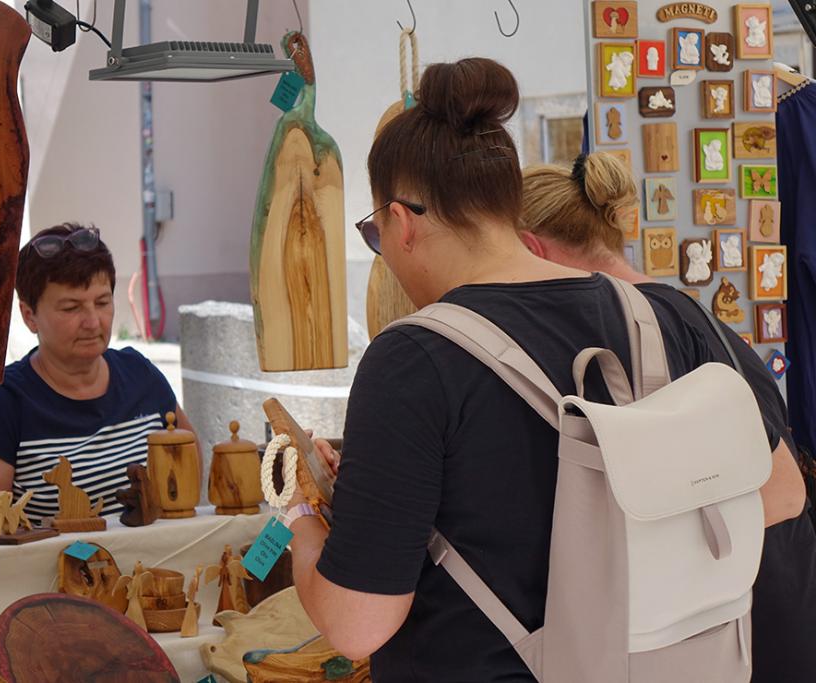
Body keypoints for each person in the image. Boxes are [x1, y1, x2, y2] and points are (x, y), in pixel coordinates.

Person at [283, 57, 805, 682]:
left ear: (402, 222)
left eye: (376, 234)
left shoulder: (412, 359)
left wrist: (301, 519)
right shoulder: (665, 315)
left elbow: (357, 624)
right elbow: (782, 492)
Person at [519, 152, 816, 682]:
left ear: (531, 249)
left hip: (756, 626)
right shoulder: (670, 312)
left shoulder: (655, 323)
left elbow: (783, 492)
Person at [0, 223, 194, 535]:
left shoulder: (141, 376)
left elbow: (188, 476)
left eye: (102, 302)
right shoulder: (0, 404)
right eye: (71, 308)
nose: (92, 322)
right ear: (29, 316)